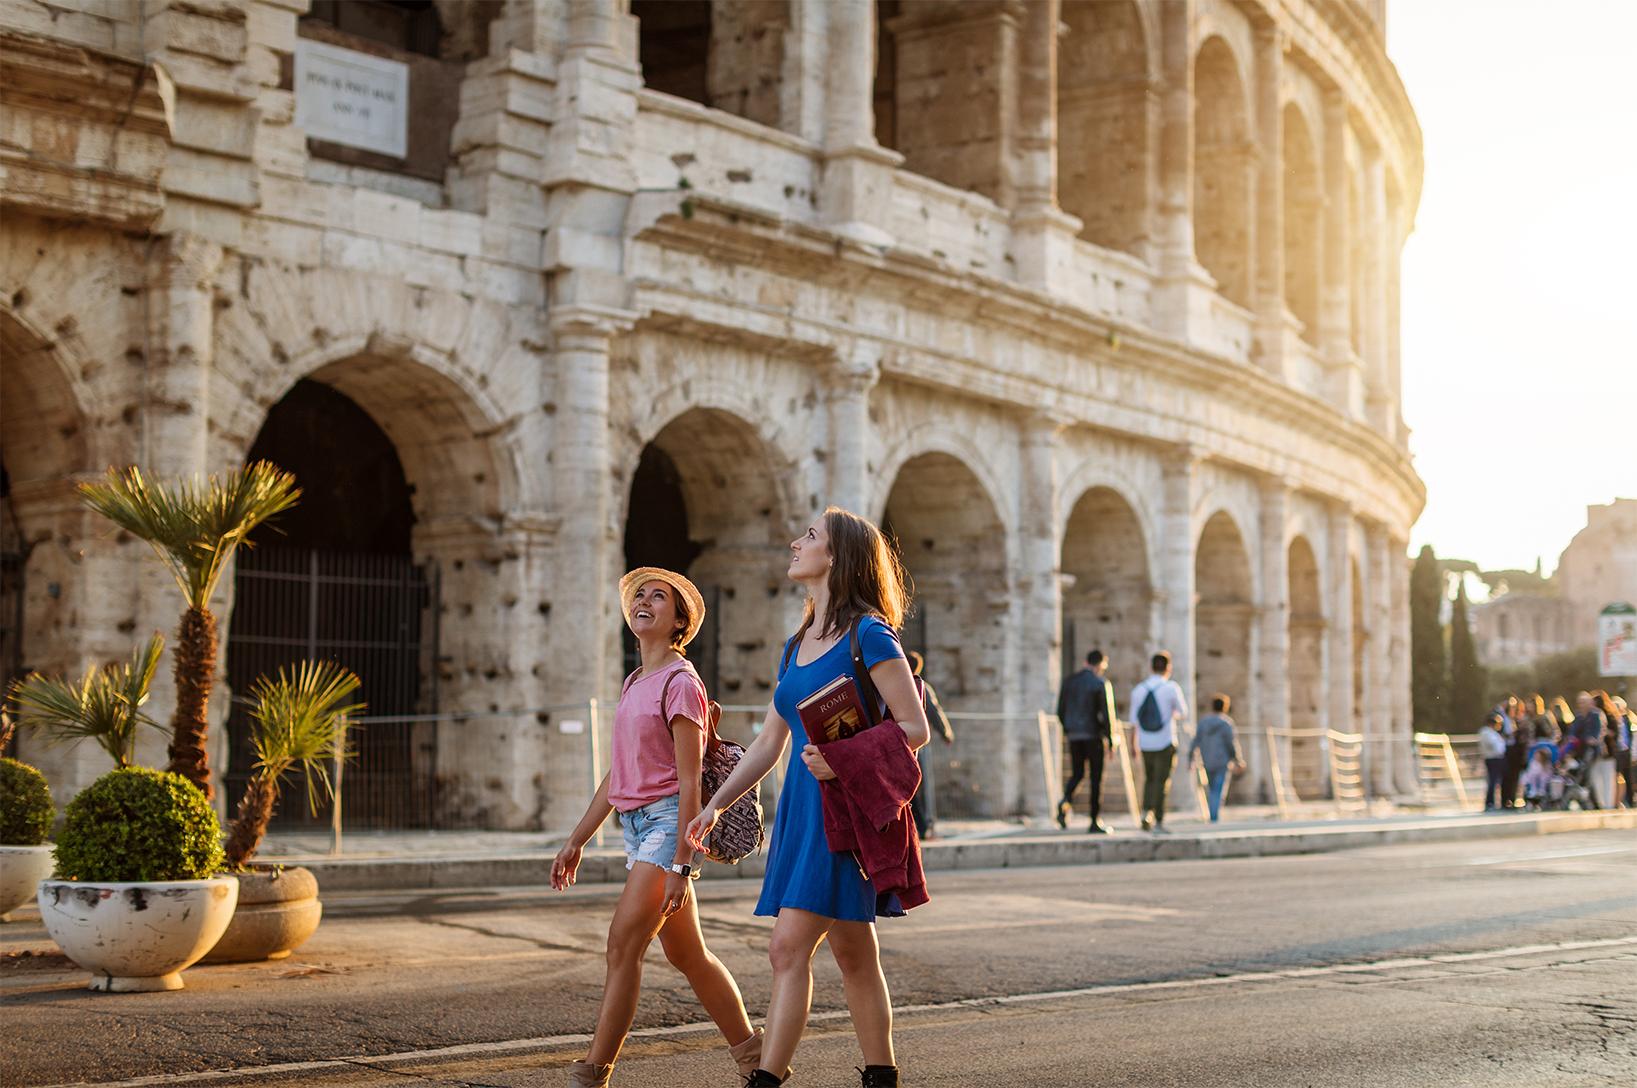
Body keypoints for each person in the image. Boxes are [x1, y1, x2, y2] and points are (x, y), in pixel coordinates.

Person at [687, 507, 932, 1088]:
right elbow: (770, 742)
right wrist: (716, 802)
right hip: (802, 814)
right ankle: (881, 1076)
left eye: (811, 537)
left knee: (786, 948)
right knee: (854, 954)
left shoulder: (869, 634)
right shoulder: (796, 645)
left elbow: (915, 728)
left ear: (838, 556)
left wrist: (843, 758)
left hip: (842, 812)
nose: (797, 543)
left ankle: (766, 1079)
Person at [551, 569, 761, 1088]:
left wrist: (682, 864)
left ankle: (593, 1071)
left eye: (658, 596)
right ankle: (755, 1056)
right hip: (638, 825)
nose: (643, 601)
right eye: (639, 595)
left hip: (670, 825)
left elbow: (690, 781)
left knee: (623, 945)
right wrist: (577, 838)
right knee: (688, 953)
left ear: (678, 622)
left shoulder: (681, 682)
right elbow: (618, 775)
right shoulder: (634, 682)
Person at [1055, 649, 1116, 833]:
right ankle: (1094, 820)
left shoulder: (1069, 682)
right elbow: (1107, 715)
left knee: (1077, 773)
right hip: (1093, 736)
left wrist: (1069, 729)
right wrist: (1111, 740)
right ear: (1099, 665)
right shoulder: (1100, 683)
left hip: (1075, 735)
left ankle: (1065, 800)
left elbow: (1061, 710)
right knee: (1096, 778)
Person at [1128, 651, 1188, 833]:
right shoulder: (1171, 688)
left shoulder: (1139, 689)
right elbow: (1183, 712)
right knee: (1162, 781)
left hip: (1145, 742)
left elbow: (1133, 721)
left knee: (1149, 779)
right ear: (1168, 668)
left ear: (1151, 667)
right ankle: (1159, 820)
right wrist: (1171, 714)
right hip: (1165, 740)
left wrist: (1133, 744)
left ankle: (1146, 813)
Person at [905, 650, 954, 840]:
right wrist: (946, 734)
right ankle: (923, 827)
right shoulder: (921, 686)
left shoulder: (893, 684)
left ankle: (920, 827)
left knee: (911, 788)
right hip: (918, 745)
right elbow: (935, 711)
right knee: (919, 787)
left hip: (897, 743)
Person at [1189, 694, 1244, 823]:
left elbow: (1195, 741)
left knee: (1211, 788)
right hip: (1222, 761)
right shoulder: (1227, 723)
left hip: (1207, 759)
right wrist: (1238, 760)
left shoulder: (1203, 722)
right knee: (1218, 789)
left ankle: (1212, 813)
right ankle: (1214, 816)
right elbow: (1231, 743)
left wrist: (1190, 758)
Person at [1478, 710, 1508, 811]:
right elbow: (1493, 745)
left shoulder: (1492, 733)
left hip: (1496, 758)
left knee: (1496, 781)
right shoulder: (1486, 733)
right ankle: (1489, 802)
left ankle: (1494, 801)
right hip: (1493, 758)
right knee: (1492, 781)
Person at [1613, 696, 1633, 808]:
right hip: (1617, 752)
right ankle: (1618, 800)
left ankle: (1630, 801)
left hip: (1626, 751)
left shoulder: (1627, 719)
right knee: (1617, 777)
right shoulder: (1612, 720)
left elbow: (1630, 736)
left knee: (1628, 776)